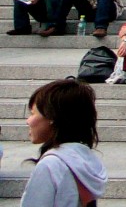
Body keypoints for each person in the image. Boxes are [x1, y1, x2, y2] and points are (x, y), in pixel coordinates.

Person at [20, 78, 105, 207]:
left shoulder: (50, 165)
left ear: (52, 117)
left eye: (33, 113)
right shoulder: (85, 158)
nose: (28, 121)